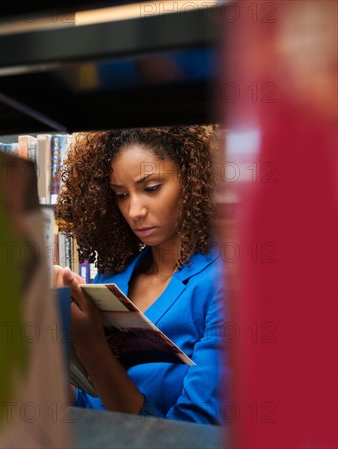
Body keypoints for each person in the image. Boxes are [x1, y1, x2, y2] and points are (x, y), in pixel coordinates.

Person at [52, 125, 227, 424]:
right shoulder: (110, 278)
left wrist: (92, 347)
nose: (134, 211)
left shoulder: (225, 287)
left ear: (193, 181)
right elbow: (91, 403)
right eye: (120, 195)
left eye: (151, 188)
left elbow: (193, 435)